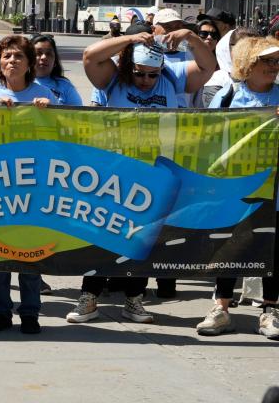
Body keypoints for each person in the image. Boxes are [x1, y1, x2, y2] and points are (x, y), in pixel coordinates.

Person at [72, 22, 216, 324]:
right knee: (103, 235)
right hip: (115, 172)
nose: (146, 80)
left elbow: (208, 66)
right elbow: (89, 56)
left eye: (152, 74)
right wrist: (129, 39)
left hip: (156, 172)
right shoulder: (113, 80)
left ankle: (134, 298)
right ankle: (89, 297)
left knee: (145, 238)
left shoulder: (171, 78)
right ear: (128, 67)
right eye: (139, 73)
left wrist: (189, 37)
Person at [196, 36, 279, 339]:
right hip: (234, 190)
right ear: (248, 64)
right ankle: (221, 309)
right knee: (229, 247)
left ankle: (270, 311)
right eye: (267, 61)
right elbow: (208, 138)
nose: (274, 66)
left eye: (276, 61)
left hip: (275, 191)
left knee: (272, 249)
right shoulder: (228, 97)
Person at [0, 35, 56, 335]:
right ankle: (0, 311)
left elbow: (59, 138)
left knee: (29, 253)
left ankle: (30, 312)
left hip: (33, 185)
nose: (12, 61)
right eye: (7, 56)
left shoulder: (44, 93)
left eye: (18, 57)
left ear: (29, 63)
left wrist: (50, 113)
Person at [31, 34, 82, 106]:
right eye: (38, 53)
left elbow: (78, 114)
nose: (44, 57)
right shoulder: (19, 83)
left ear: (55, 61)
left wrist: (53, 105)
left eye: (48, 54)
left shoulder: (65, 86)